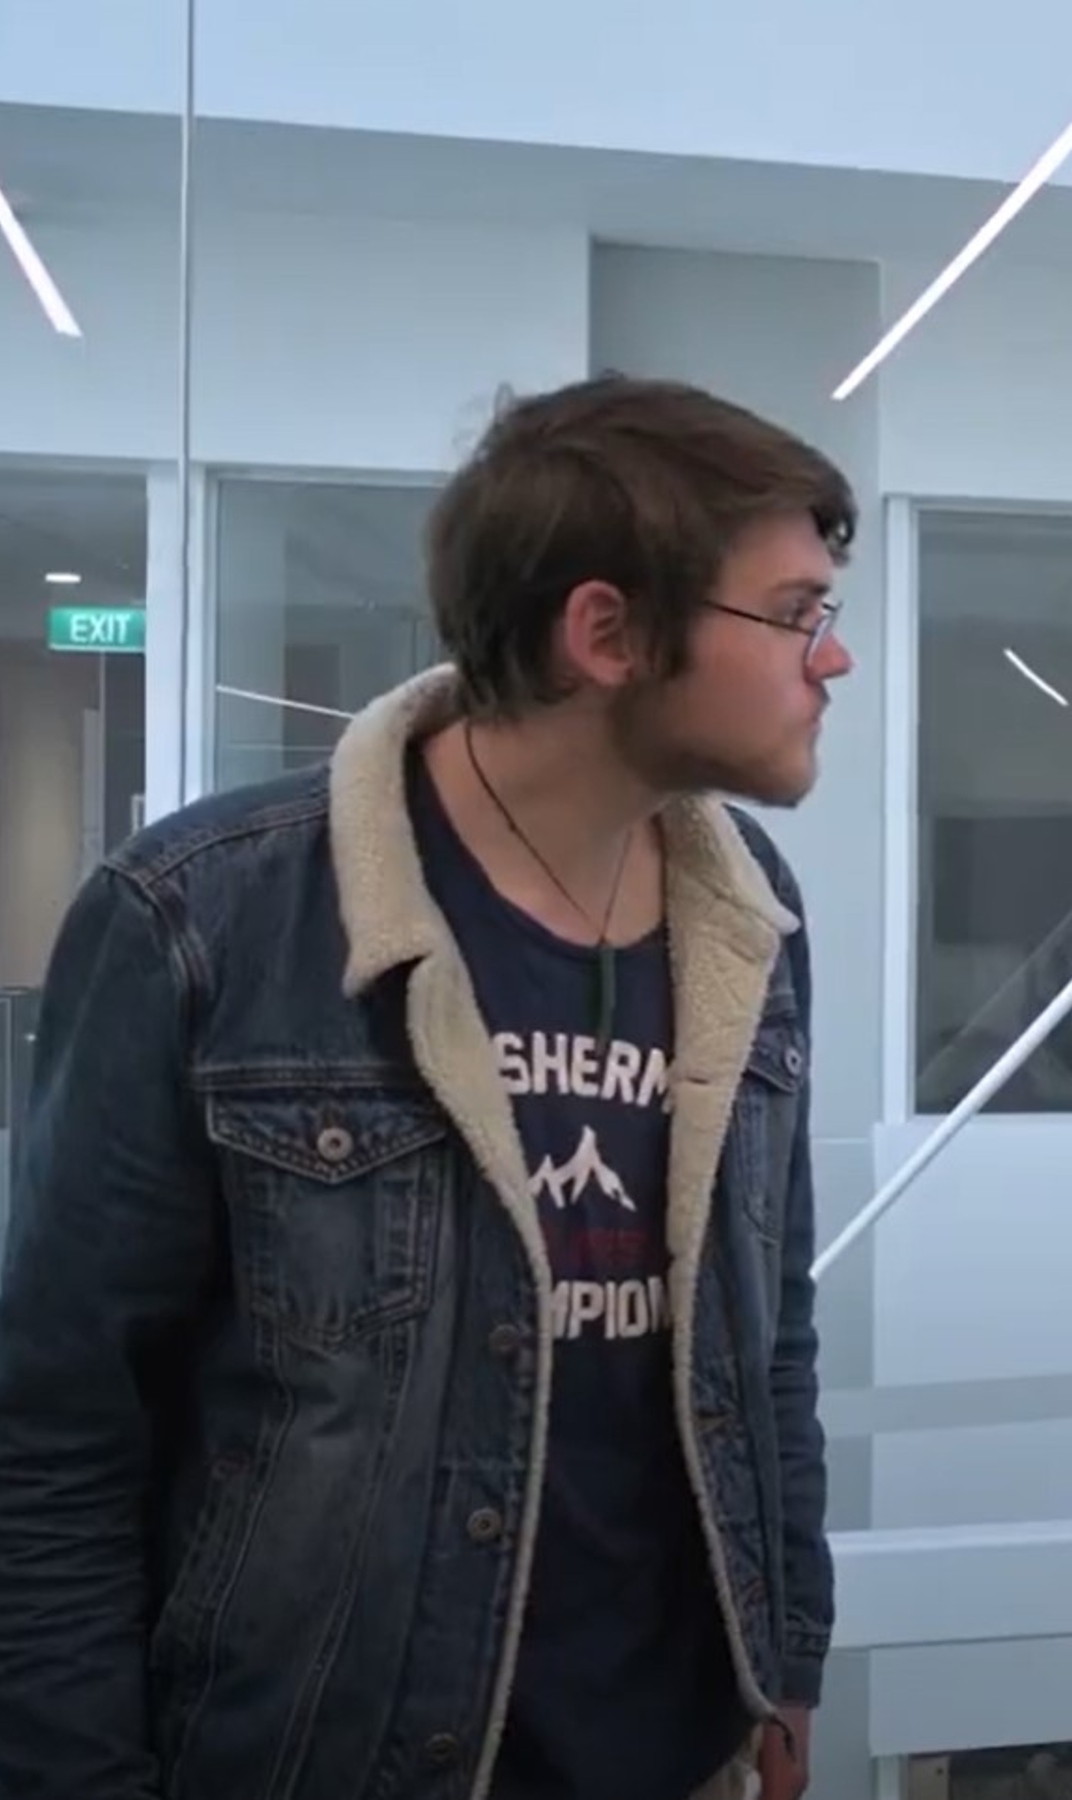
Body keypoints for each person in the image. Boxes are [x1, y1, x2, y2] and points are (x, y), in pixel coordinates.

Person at [0, 374, 852, 1800]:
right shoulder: (205, 918)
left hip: (677, 1750)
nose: (828, 663)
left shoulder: (747, 913)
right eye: (795, 613)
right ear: (607, 632)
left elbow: (773, 1341)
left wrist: (789, 1650)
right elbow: (53, 1434)